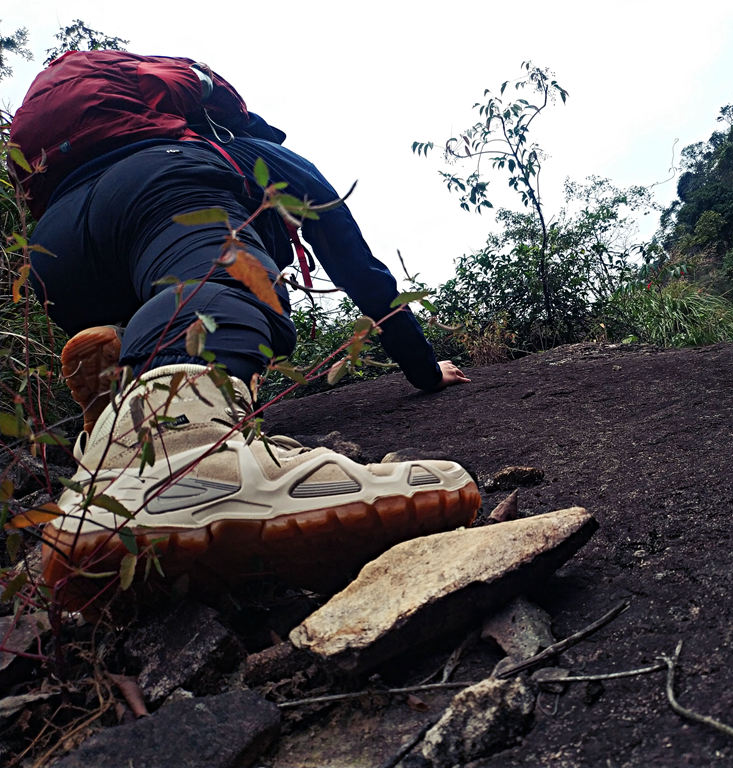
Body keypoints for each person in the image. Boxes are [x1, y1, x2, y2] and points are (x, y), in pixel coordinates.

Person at [10, 50, 479, 610]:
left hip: (55, 253)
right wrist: (425, 371)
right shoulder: (251, 154)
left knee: (158, 302)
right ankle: (182, 448)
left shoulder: (66, 164)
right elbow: (359, 269)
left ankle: (117, 433)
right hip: (160, 185)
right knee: (224, 283)